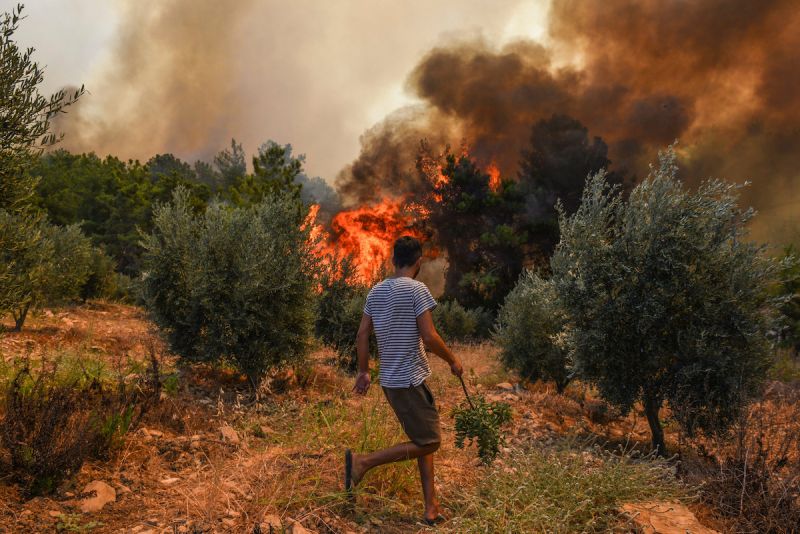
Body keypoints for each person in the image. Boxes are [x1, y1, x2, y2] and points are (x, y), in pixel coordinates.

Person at [344, 235, 464, 526]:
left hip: (390, 381)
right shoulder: (416, 290)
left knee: (421, 439)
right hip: (410, 380)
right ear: (418, 261)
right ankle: (362, 463)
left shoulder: (375, 291)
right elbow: (429, 336)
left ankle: (430, 508)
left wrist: (363, 372)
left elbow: (362, 335)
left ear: (393, 259)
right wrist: (452, 360)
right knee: (431, 441)